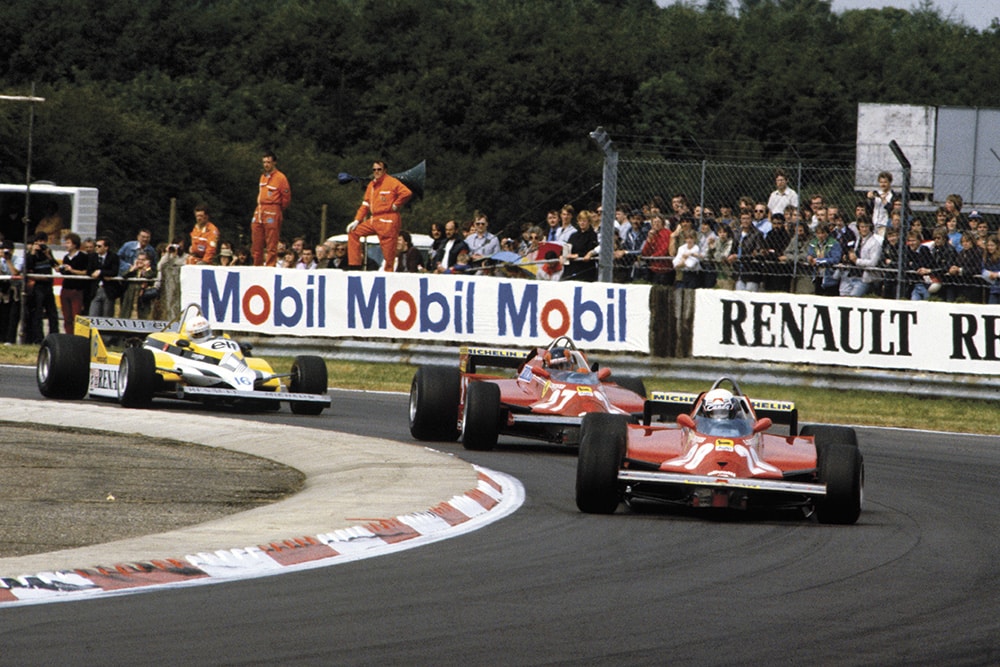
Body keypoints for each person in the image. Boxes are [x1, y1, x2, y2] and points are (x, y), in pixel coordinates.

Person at [346, 160, 412, 272]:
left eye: (379, 169)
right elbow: (365, 205)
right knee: (353, 232)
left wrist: (396, 204)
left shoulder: (391, 182)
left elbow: (406, 193)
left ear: (385, 170)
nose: (376, 172)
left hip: (388, 220)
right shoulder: (371, 185)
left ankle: (388, 276)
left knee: (389, 256)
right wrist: (357, 220)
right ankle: (355, 266)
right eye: (374, 169)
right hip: (374, 219)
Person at [252, 151, 291, 266]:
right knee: (256, 241)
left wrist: (277, 209)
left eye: (268, 162)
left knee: (271, 242)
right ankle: (257, 266)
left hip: (273, 209)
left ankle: (269, 266)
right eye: (264, 162)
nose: (266, 165)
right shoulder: (263, 177)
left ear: (274, 162)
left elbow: (286, 197)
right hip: (259, 209)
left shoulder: (281, 178)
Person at [24, 232, 59, 343]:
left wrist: (48, 255)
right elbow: (28, 268)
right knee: (37, 313)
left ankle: (54, 337)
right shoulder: (30, 254)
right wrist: (33, 252)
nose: (40, 244)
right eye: (38, 242)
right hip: (38, 287)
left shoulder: (47, 252)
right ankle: (38, 338)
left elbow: (56, 266)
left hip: (48, 286)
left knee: (52, 313)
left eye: (42, 241)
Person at [839, 217, 882, 297]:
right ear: (859, 228)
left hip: (863, 278)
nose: (864, 229)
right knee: (842, 296)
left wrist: (856, 261)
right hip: (850, 274)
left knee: (853, 298)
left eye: (866, 227)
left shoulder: (875, 243)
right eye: (862, 227)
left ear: (870, 227)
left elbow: (873, 262)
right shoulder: (857, 240)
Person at [57, 232, 90, 333]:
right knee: (67, 316)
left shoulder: (83, 257)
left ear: (75, 244)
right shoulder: (66, 257)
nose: (66, 245)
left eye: (68, 243)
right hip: (66, 288)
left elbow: (86, 272)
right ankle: (68, 335)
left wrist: (72, 270)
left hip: (77, 289)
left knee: (77, 315)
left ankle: (78, 336)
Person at [729, 211, 766, 292]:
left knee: (750, 293)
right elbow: (733, 250)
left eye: (748, 219)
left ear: (751, 219)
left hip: (751, 271)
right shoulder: (737, 233)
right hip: (739, 270)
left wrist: (739, 256)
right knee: (739, 294)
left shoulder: (757, 234)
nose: (745, 221)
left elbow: (757, 254)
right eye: (743, 219)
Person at [88, 237, 123, 317]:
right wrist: (95, 274)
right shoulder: (92, 257)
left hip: (108, 290)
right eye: (96, 246)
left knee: (107, 316)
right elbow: (89, 271)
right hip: (96, 290)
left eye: (99, 246)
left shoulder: (113, 257)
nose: (96, 248)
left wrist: (101, 272)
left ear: (106, 247)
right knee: (93, 314)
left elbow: (114, 272)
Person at [563, 210, 599, 282]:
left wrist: (577, 255)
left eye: (584, 221)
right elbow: (567, 246)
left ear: (589, 222)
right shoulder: (574, 235)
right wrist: (563, 255)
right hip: (572, 269)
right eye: (580, 221)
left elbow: (591, 249)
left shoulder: (593, 235)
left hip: (585, 270)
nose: (582, 223)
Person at [780, 221, 814, 294]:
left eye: (801, 231)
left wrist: (789, 258)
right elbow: (786, 252)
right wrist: (794, 257)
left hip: (807, 272)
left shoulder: (812, 241)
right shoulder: (794, 239)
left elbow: (805, 256)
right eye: (797, 231)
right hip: (795, 271)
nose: (799, 233)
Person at [120, 251, 157, 319]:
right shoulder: (133, 271)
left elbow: (148, 275)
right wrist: (133, 269)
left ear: (148, 261)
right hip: (130, 298)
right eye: (138, 259)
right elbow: (123, 275)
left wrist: (146, 268)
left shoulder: (151, 271)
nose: (140, 261)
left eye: (142, 260)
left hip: (141, 300)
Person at [807, 224, 841, 296]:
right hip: (817, 275)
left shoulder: (834, 243)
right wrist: (809, 258)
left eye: (822, 233)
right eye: (818, 233)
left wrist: (818, 261)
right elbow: (810, 254)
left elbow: (835, 259)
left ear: (827, 233)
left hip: (830, 276)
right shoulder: (813, 243)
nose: (820, 236)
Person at [639, 213, 673, 285]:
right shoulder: (653, 235)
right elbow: (645, 252)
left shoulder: (666, 233)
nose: (656, 224)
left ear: (663, 223)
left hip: (664, 267)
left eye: (658, 222)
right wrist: (649, 240)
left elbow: (664, 249)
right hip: (654, 267)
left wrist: (652, 257)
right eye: (654, 222)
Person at [157, 239, 186, 321]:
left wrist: (176, 257)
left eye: (180, 246)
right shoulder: (168, 256)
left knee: (177, 306)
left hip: (180, 286)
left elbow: (181, 265)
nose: (177, 248)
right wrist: (168, 253)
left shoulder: (186, 257)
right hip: (168, 286)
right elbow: (159, 266)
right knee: (169, 306)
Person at [0, 239, 23, 343]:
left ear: (12, 251)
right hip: (3, 291)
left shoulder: (19, 259)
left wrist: (8, 260)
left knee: (13, 316)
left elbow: (15, 272)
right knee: (3, 315)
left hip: (15, 291)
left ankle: (10, 340)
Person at [866, 171, 897, 237]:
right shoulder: (876, 193)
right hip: (874, 224)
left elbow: (893, 211)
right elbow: (869, 208)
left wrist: (884, 200)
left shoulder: (893, 196)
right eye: (881, 182)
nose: (883, 184)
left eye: (885, 182)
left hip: (885, 225)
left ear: (890, 182)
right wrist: (869, 199)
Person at [980, 235, 1000, 305]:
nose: (990, 248)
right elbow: (983, 270)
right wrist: (989, 274)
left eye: (992, 245)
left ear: (997, 246)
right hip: (993, 288)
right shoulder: (986, 257)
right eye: (988, 245)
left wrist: (997, 274)